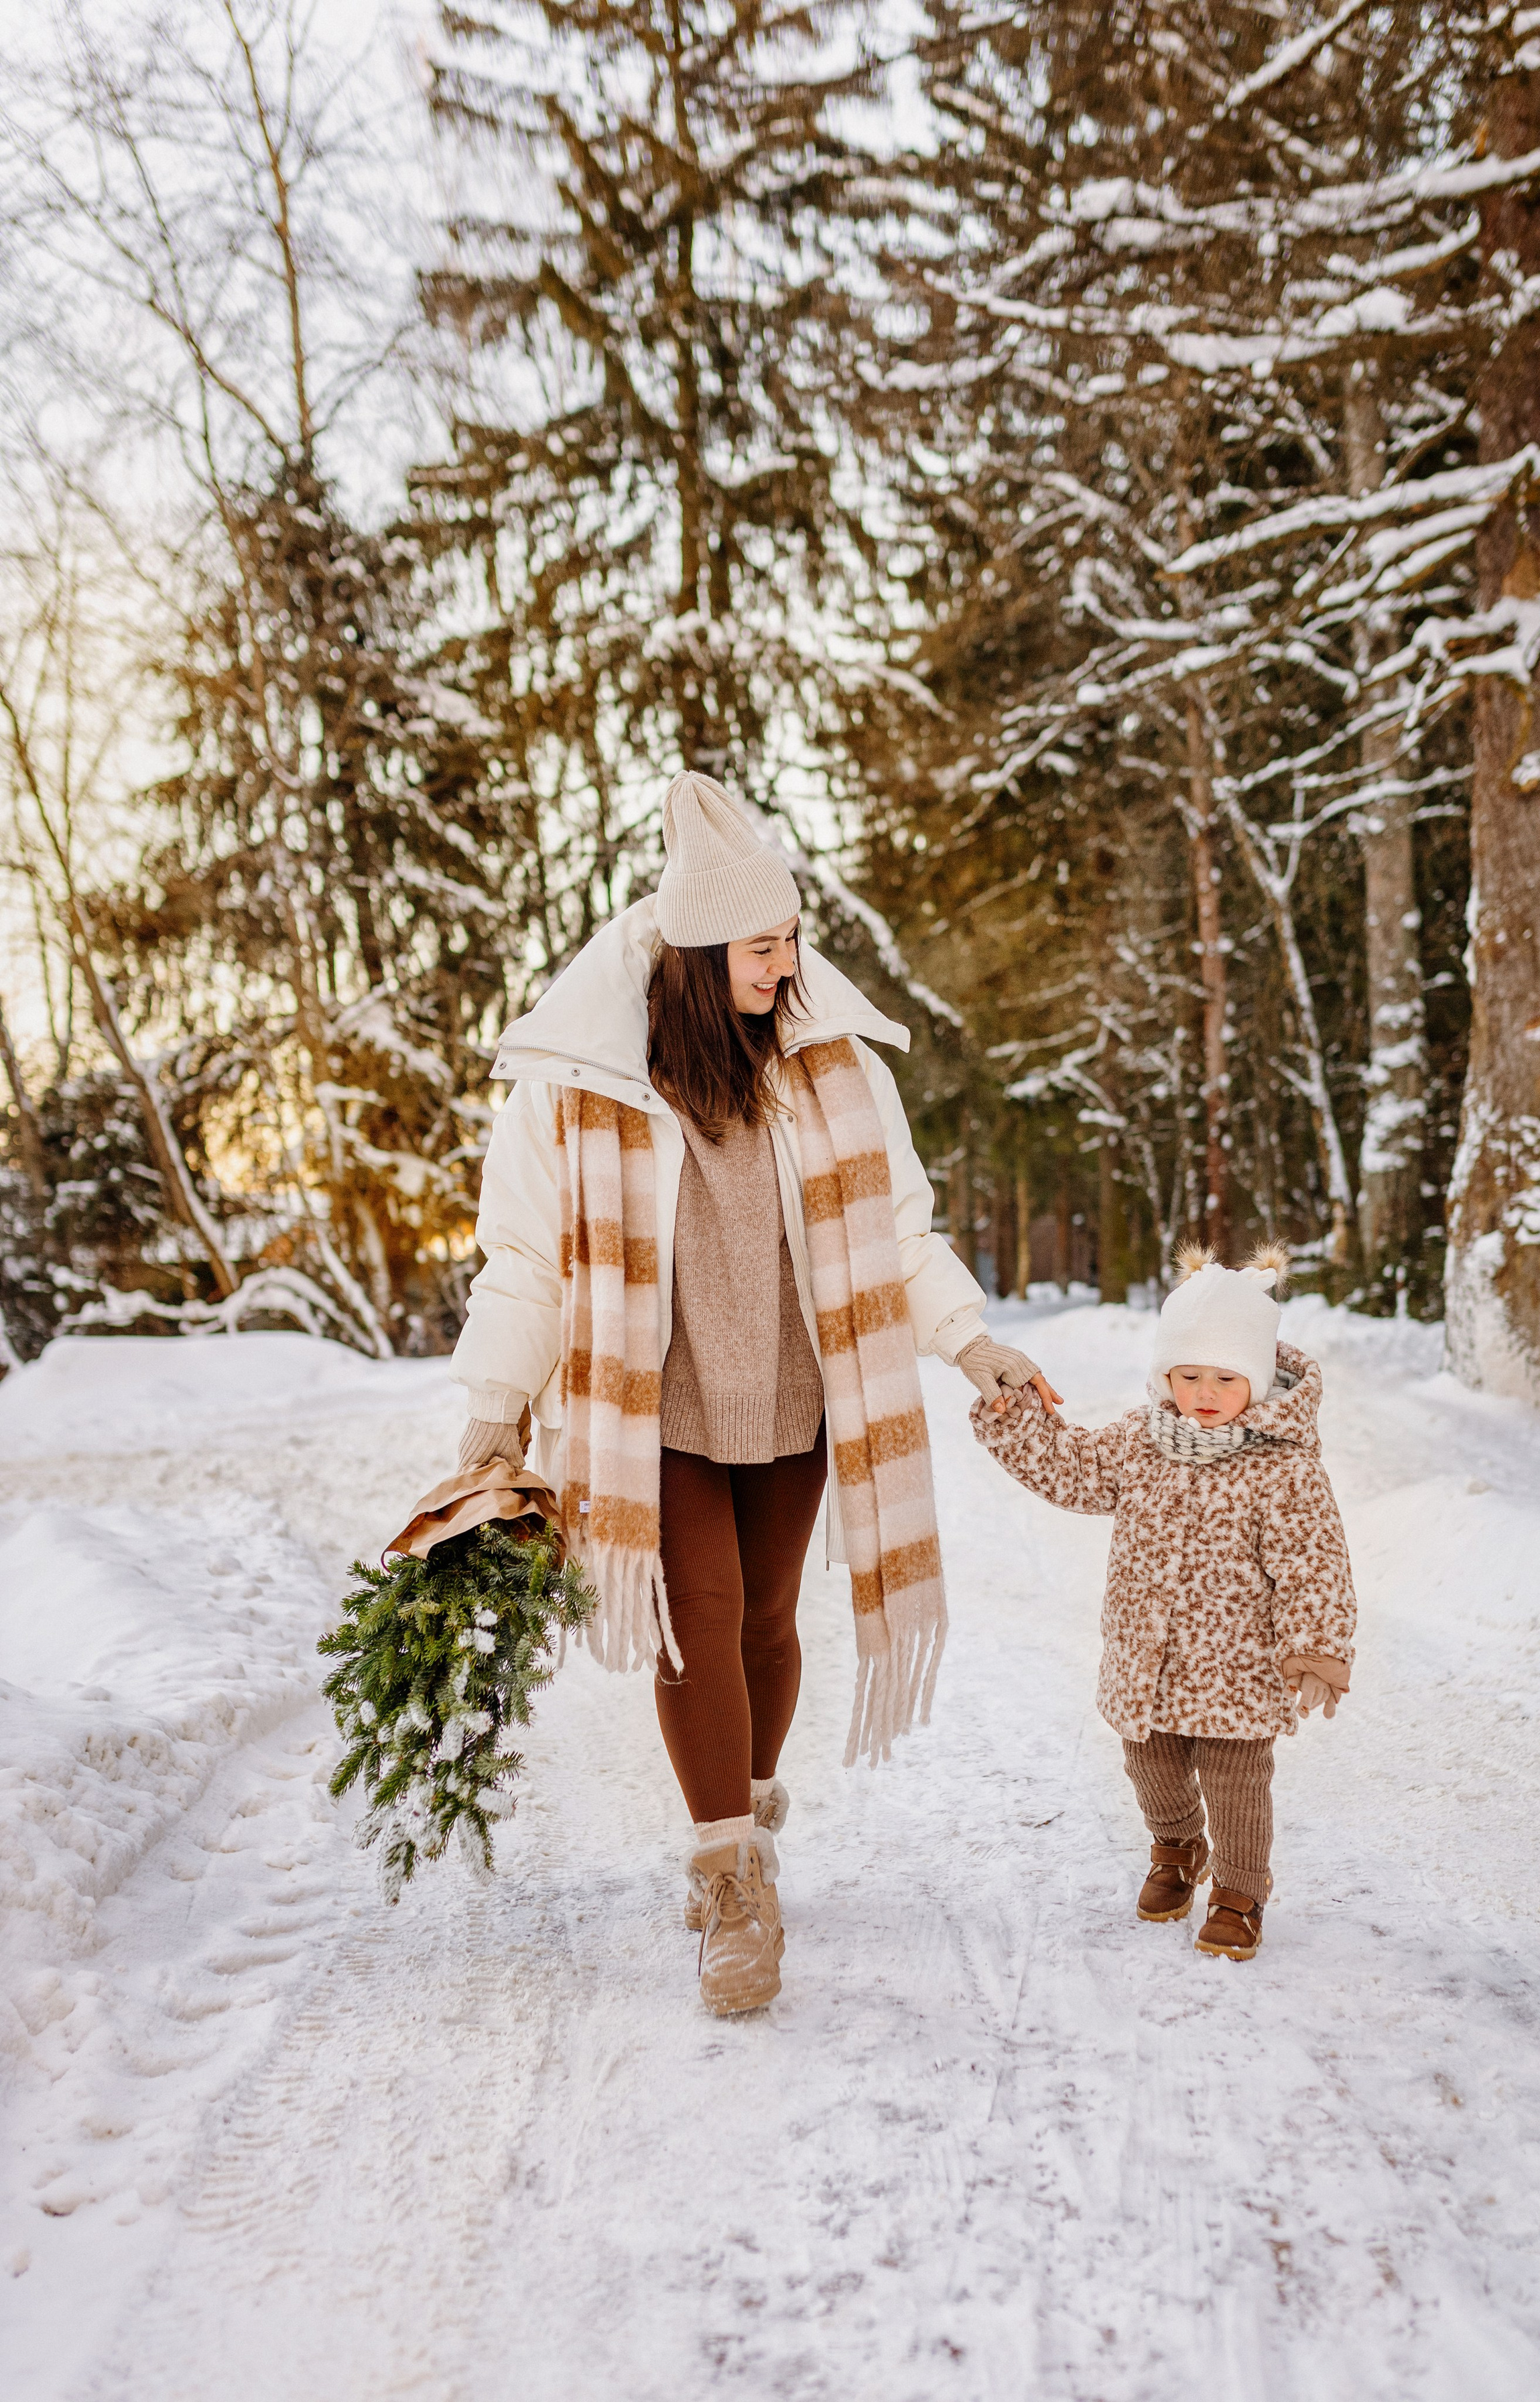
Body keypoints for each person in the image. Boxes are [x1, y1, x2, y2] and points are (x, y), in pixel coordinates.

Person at [448, 771, 1055, 2014]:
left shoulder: (830, 1068)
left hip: (795, 1379)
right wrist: (494, 1404)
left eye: (792, 941)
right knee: (699, 1613)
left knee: (770, 1620)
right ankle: (729, 1871)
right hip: (651, 1394)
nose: (786, 967)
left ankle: (751, 1807)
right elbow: (523, 1258)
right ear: (695, 952)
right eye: (763, 946)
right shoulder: (578, 1084)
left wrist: (971, 1341)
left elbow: (893, 1224)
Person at [970, 1243, 1356, 1961]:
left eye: (1224, 1376)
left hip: (1239, 1666)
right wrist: (1013, 1415)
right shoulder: (1140, 1441)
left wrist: (1315, 1645)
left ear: (1258, 1377)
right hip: (1146, 1657)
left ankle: (1240, 1888)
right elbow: (1072, 1469)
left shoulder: (1282, 1465)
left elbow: (1313, 1561)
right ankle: (1177, 1844)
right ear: (1164, 1374)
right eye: (1187, 1374)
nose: (1204, 1390)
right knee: (1150, 1762)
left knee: (1238, 1781)